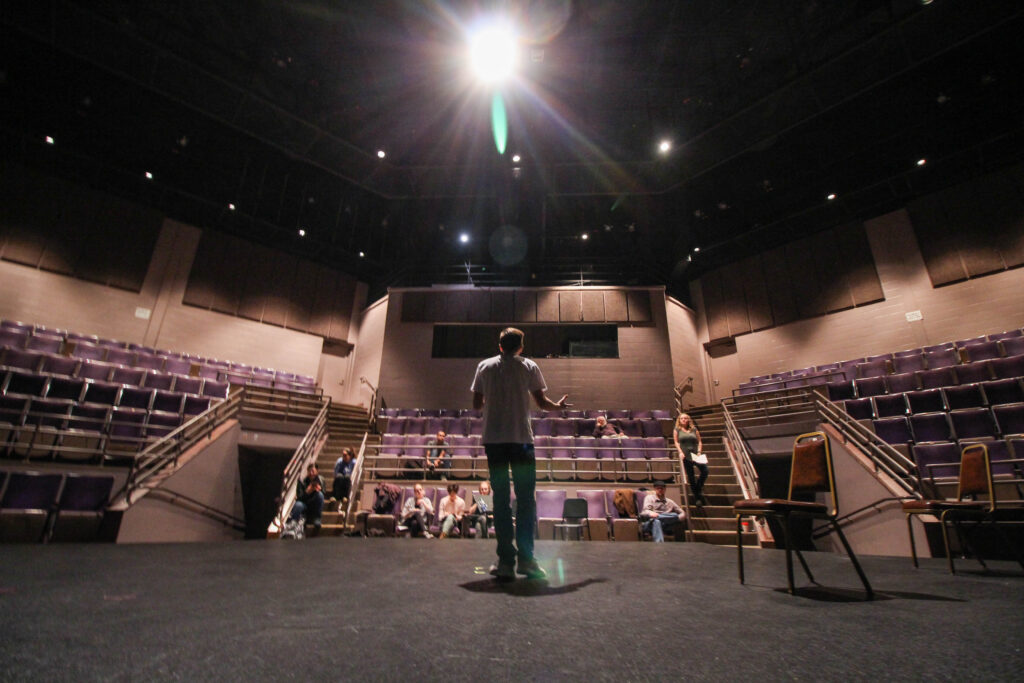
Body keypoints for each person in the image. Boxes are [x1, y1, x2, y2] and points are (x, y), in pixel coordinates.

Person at [471, 327, 569, 581]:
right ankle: (526, 560)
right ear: (521, 347)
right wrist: (557, 407)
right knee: (526, 501)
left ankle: (505, 562)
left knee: (501, 502)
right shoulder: (529, 366)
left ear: (500, 345)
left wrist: (494, 398)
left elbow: (476, 404)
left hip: (494, 442)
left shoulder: (484, 366)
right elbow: (541, 402)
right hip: (522, 443)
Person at [674, 412, 708, 505]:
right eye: (682, 418)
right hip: (685, 454)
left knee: (705, 471)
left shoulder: (694, 429)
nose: (684, 420)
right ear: (679, 420)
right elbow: (676, 442)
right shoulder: (677, 430)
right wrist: (680, 452)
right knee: (691, 476)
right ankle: (697, 498)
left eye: (685, 418)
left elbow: (700, 441)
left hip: (695, 453)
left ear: (688, 419)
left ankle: (699, 486)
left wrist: (699, 451)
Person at [291, 463, 325, 534]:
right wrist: (307, 492)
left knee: (320, 495)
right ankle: (292, 524)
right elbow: (299, 498)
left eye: (313, 471)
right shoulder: (302, 482)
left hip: (314, 504)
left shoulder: (321, 480)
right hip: (305, 503)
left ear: (317, 471)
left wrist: (318, 489)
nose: (311, 473)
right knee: (298, 505)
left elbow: (323, 494)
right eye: (310, 471)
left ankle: (317, 518)